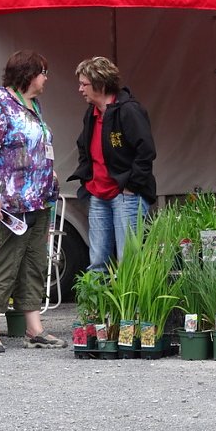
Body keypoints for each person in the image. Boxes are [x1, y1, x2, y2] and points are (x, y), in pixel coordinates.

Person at [0, 50, 65, 353]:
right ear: (28, 74)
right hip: (11, 201)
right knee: (5, 262)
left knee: (34, 263)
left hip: (39, 200)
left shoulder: (33, 104)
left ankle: (33, 329)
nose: (46, 78)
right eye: (42, 72)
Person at [68, 56, 156, 272]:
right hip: (99, 193)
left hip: (126, 194)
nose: (80, 89)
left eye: (84, 84)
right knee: (98, 259)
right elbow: (83, 145)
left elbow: (146, 151)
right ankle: (97, 305)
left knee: (128, 259)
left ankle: (131, 306)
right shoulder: (92, 112)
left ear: (100, 83)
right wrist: (88, 177)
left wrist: (131, 185)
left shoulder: (129, 110)